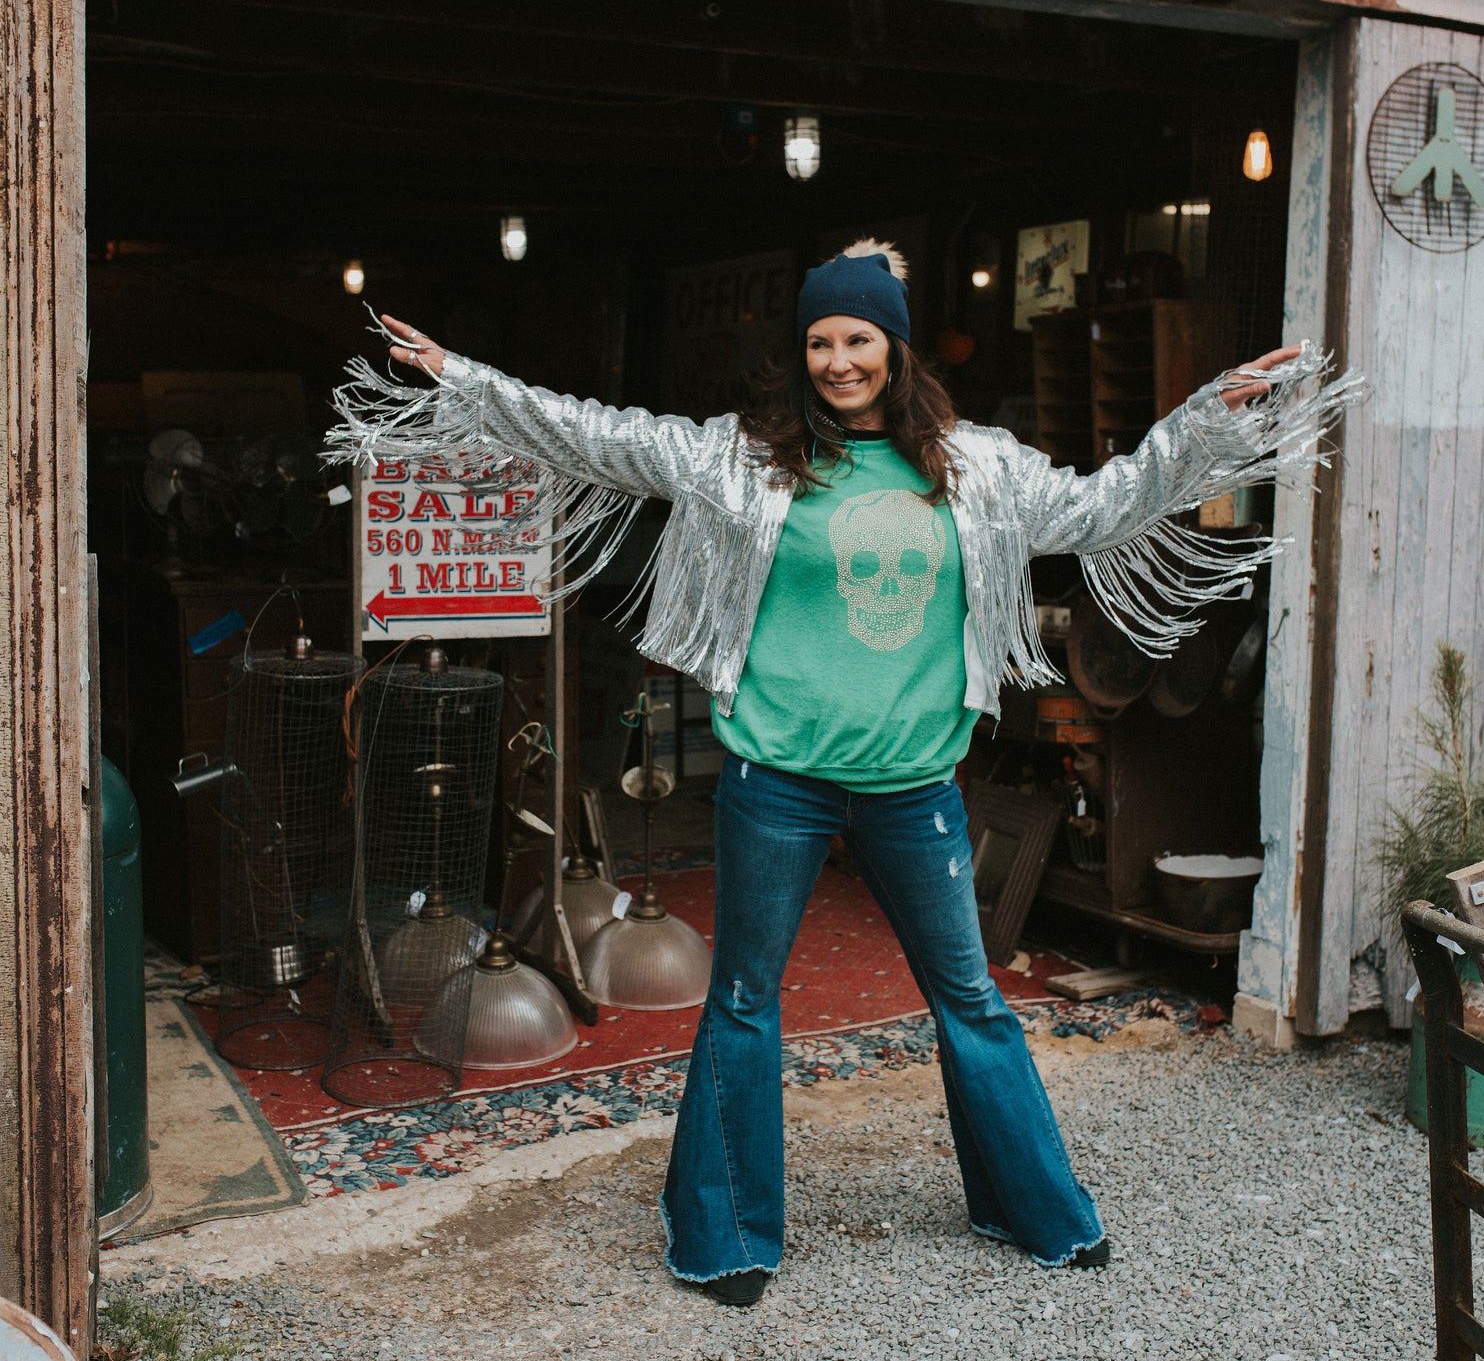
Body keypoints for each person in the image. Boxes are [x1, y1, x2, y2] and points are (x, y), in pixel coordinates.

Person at [328, 240, 1360, 1307]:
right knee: (742, 999)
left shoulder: (979, 469)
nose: (837, 361)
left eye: (857, 338)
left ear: (894, 347)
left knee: (970, 998)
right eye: (819, 341)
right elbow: (598, 434)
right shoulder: (744, 459)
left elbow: (1108, 503)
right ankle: (726, 1234)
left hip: (914, 788)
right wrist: (462, 378)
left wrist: (1206, 421)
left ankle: (1034, 1206)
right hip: (776, 781)